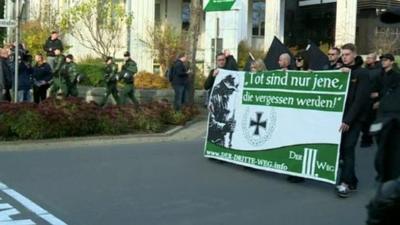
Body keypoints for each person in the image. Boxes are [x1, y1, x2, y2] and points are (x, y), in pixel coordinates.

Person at [336, 43, 371, 198]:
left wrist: (348, 120)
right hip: (340, 117)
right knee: (342, 150)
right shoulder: (340, 71)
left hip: (354, 120)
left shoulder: (362, 73)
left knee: (348, 148)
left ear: (355, 55)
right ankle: (352, 181)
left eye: (347, 54)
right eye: (342, 54)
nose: (344, 57)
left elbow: (360, 100)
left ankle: (345, 183)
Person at [360, 53, 382, 148]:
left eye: (369, 58)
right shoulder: (364, 70)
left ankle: (372, 138)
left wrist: (379, 96)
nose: (367, 59)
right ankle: (366, 139)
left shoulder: (380, 71)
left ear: (374, 60)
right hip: (364, 99)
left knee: (373, 121)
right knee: (364, 121)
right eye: (367, 58)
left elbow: (384, 85)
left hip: (374, 101)